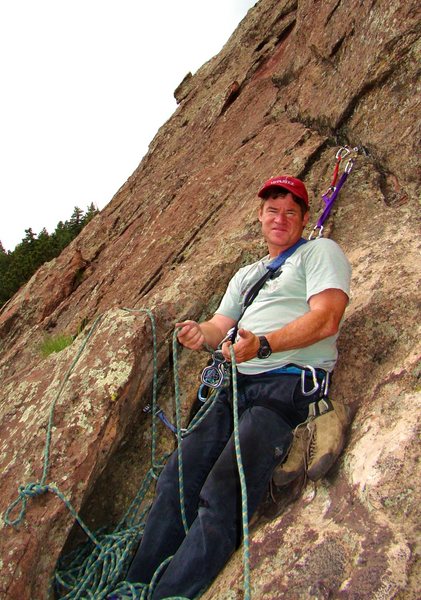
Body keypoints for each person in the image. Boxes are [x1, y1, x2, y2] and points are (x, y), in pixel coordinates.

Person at [124, 175, 351, 599]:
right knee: (178, 477)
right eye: (272, 210)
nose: (279, 218)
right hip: (235, 385)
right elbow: (219, 327)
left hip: (286, 386)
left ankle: (168, 595)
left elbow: (327, 318)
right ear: (260, 216)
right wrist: (200, 334)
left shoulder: (320, 253)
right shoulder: (248, 274)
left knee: (225, 487)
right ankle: (133, 587)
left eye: (290, 211)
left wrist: (264, 345)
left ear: (303, 219)